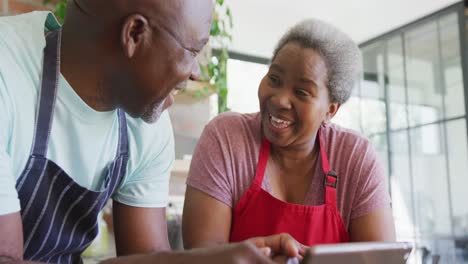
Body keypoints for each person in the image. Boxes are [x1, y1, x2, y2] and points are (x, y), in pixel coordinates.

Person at [0, 0, 301, 263]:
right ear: (134, 34)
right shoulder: (8, 75)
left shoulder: (144, 124)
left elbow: (147, 258)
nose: (196, 71)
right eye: (192, 51)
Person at [183, 19, 397, 249]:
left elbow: (379, 258)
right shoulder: (226, 138)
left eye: (302, 92)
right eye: (274, 79)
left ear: (330, 110)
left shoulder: (355, 157)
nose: (280, 100)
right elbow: (202, 255)